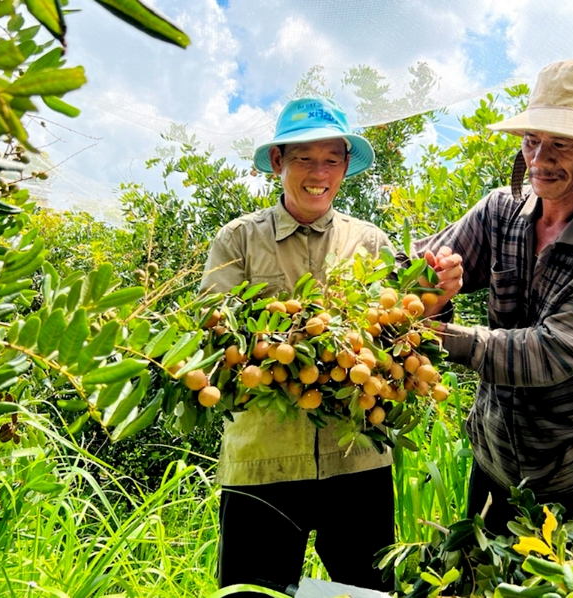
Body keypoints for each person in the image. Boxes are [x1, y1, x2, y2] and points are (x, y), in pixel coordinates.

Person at [201, 96, 456, 595]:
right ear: (278, 163)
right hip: (262, 462)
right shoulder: (238, 241)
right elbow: (214, 336)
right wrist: (281, 338)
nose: (319, 172)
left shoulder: (371, 243)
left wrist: (435, 300)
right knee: (254, 593)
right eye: (304, 158)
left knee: (361, 592)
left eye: (332, 159)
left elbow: (407, 331)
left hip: (357, 462)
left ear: (344, 167)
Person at [415, 60, 573, 533]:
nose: (539, 159)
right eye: (533, 140)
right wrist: (432, 284)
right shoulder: (501, 210)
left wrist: (437, 335)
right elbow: (419, 270)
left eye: (561, 145)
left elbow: (552, 353)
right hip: (494, 457)